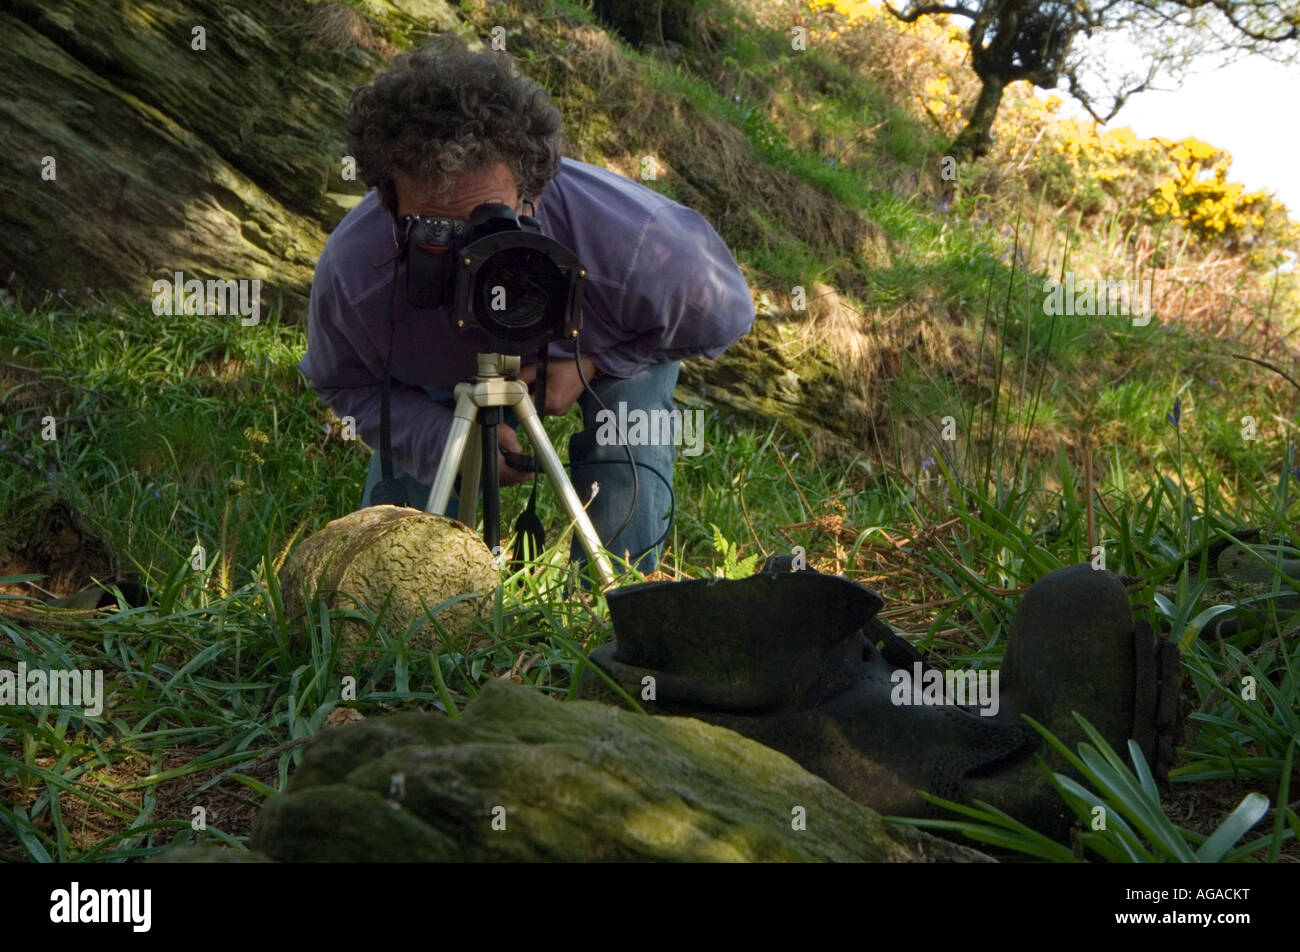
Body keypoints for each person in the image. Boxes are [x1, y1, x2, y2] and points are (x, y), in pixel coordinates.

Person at [298, 34, 753, 576]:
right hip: (438, 352)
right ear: (387, 201)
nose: (467, 256)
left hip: (602, 332)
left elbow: (728, 310)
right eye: (434, 231)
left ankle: (613, 613)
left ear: (531, 190)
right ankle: (402, 618)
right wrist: (443, 440)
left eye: (489, 223)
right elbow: (344, 383)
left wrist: (593, 360)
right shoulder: (356, 273)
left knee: (624, 434)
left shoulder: (628, 245)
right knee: (398, 549)